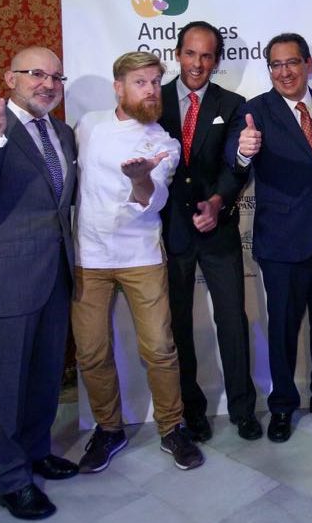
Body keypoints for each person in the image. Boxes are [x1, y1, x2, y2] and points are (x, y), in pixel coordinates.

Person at [0, 46, 79, 520]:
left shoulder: (63, 133)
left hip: (56, 276)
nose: (48, 84)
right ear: (9, 78)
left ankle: (35, 451)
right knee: (7, 384)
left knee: (46, 377)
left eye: (56, 76)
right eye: (36, 74)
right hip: (8, 280)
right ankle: (10, 479)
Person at [73, 51, 204, 473]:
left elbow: (153, 203)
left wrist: (140, 178)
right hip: (89, 258)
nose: (150, 91)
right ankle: (108, 429)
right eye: (140, 83)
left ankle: (172, 428)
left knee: (160, 349)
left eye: (153, 82)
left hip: (142, 257)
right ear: (119, 87)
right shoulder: (88, 126)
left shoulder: (163, 143)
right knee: (92, 352)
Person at [226, 32, 312, 443]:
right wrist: (244, 151)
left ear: (308, 65)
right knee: (283, 328)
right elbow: (237, 157)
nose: (284, 72)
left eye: (292, 63)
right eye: (276, 65)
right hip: (281, 240)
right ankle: (282, 406)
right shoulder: (256, 111)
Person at [158, 21, 262, 442]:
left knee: (233, 320)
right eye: (190, 53)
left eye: (206, 56)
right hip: (170, 232)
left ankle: (243, 408)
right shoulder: (154, 98)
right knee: (178, 324)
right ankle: (191, 410)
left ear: (216, 60)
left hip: (218, 228)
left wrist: (217, 204)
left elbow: (237, 165)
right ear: (178, 54)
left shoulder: (233, 103)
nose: (198, 63)